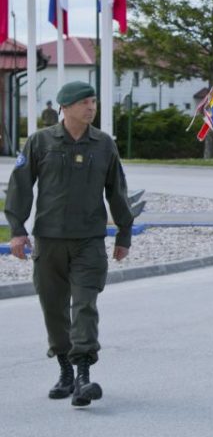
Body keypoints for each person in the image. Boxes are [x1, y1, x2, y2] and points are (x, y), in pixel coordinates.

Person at [5, 81, 134, 407]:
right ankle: (65, 370)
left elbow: (117, 191)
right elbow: (20, 186)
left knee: (85, 306)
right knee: (53, 308)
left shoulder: (103, 144)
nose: (91, 107)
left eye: (93, 101)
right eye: (84, 103)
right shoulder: (40, 141)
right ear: (65, 107)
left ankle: (83, 378)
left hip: (89, 241)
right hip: (49, 242)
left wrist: (124, 233)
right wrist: (18, 229)